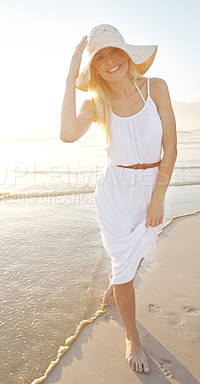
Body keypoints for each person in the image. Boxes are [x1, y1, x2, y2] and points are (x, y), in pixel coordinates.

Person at [60, 24, 177, 374]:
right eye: (100, 58)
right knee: (124, 268)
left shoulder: (155, 88)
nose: (110, 61)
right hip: (115, 194)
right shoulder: (97, 103)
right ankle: (132, 336)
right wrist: (69, 77)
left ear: (127, 55)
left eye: (115, 52)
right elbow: (67, 134)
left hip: (151, 188)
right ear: (94, 68)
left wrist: (158, 199)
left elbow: (170, 149)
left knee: (136, 256)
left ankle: (116, 282)